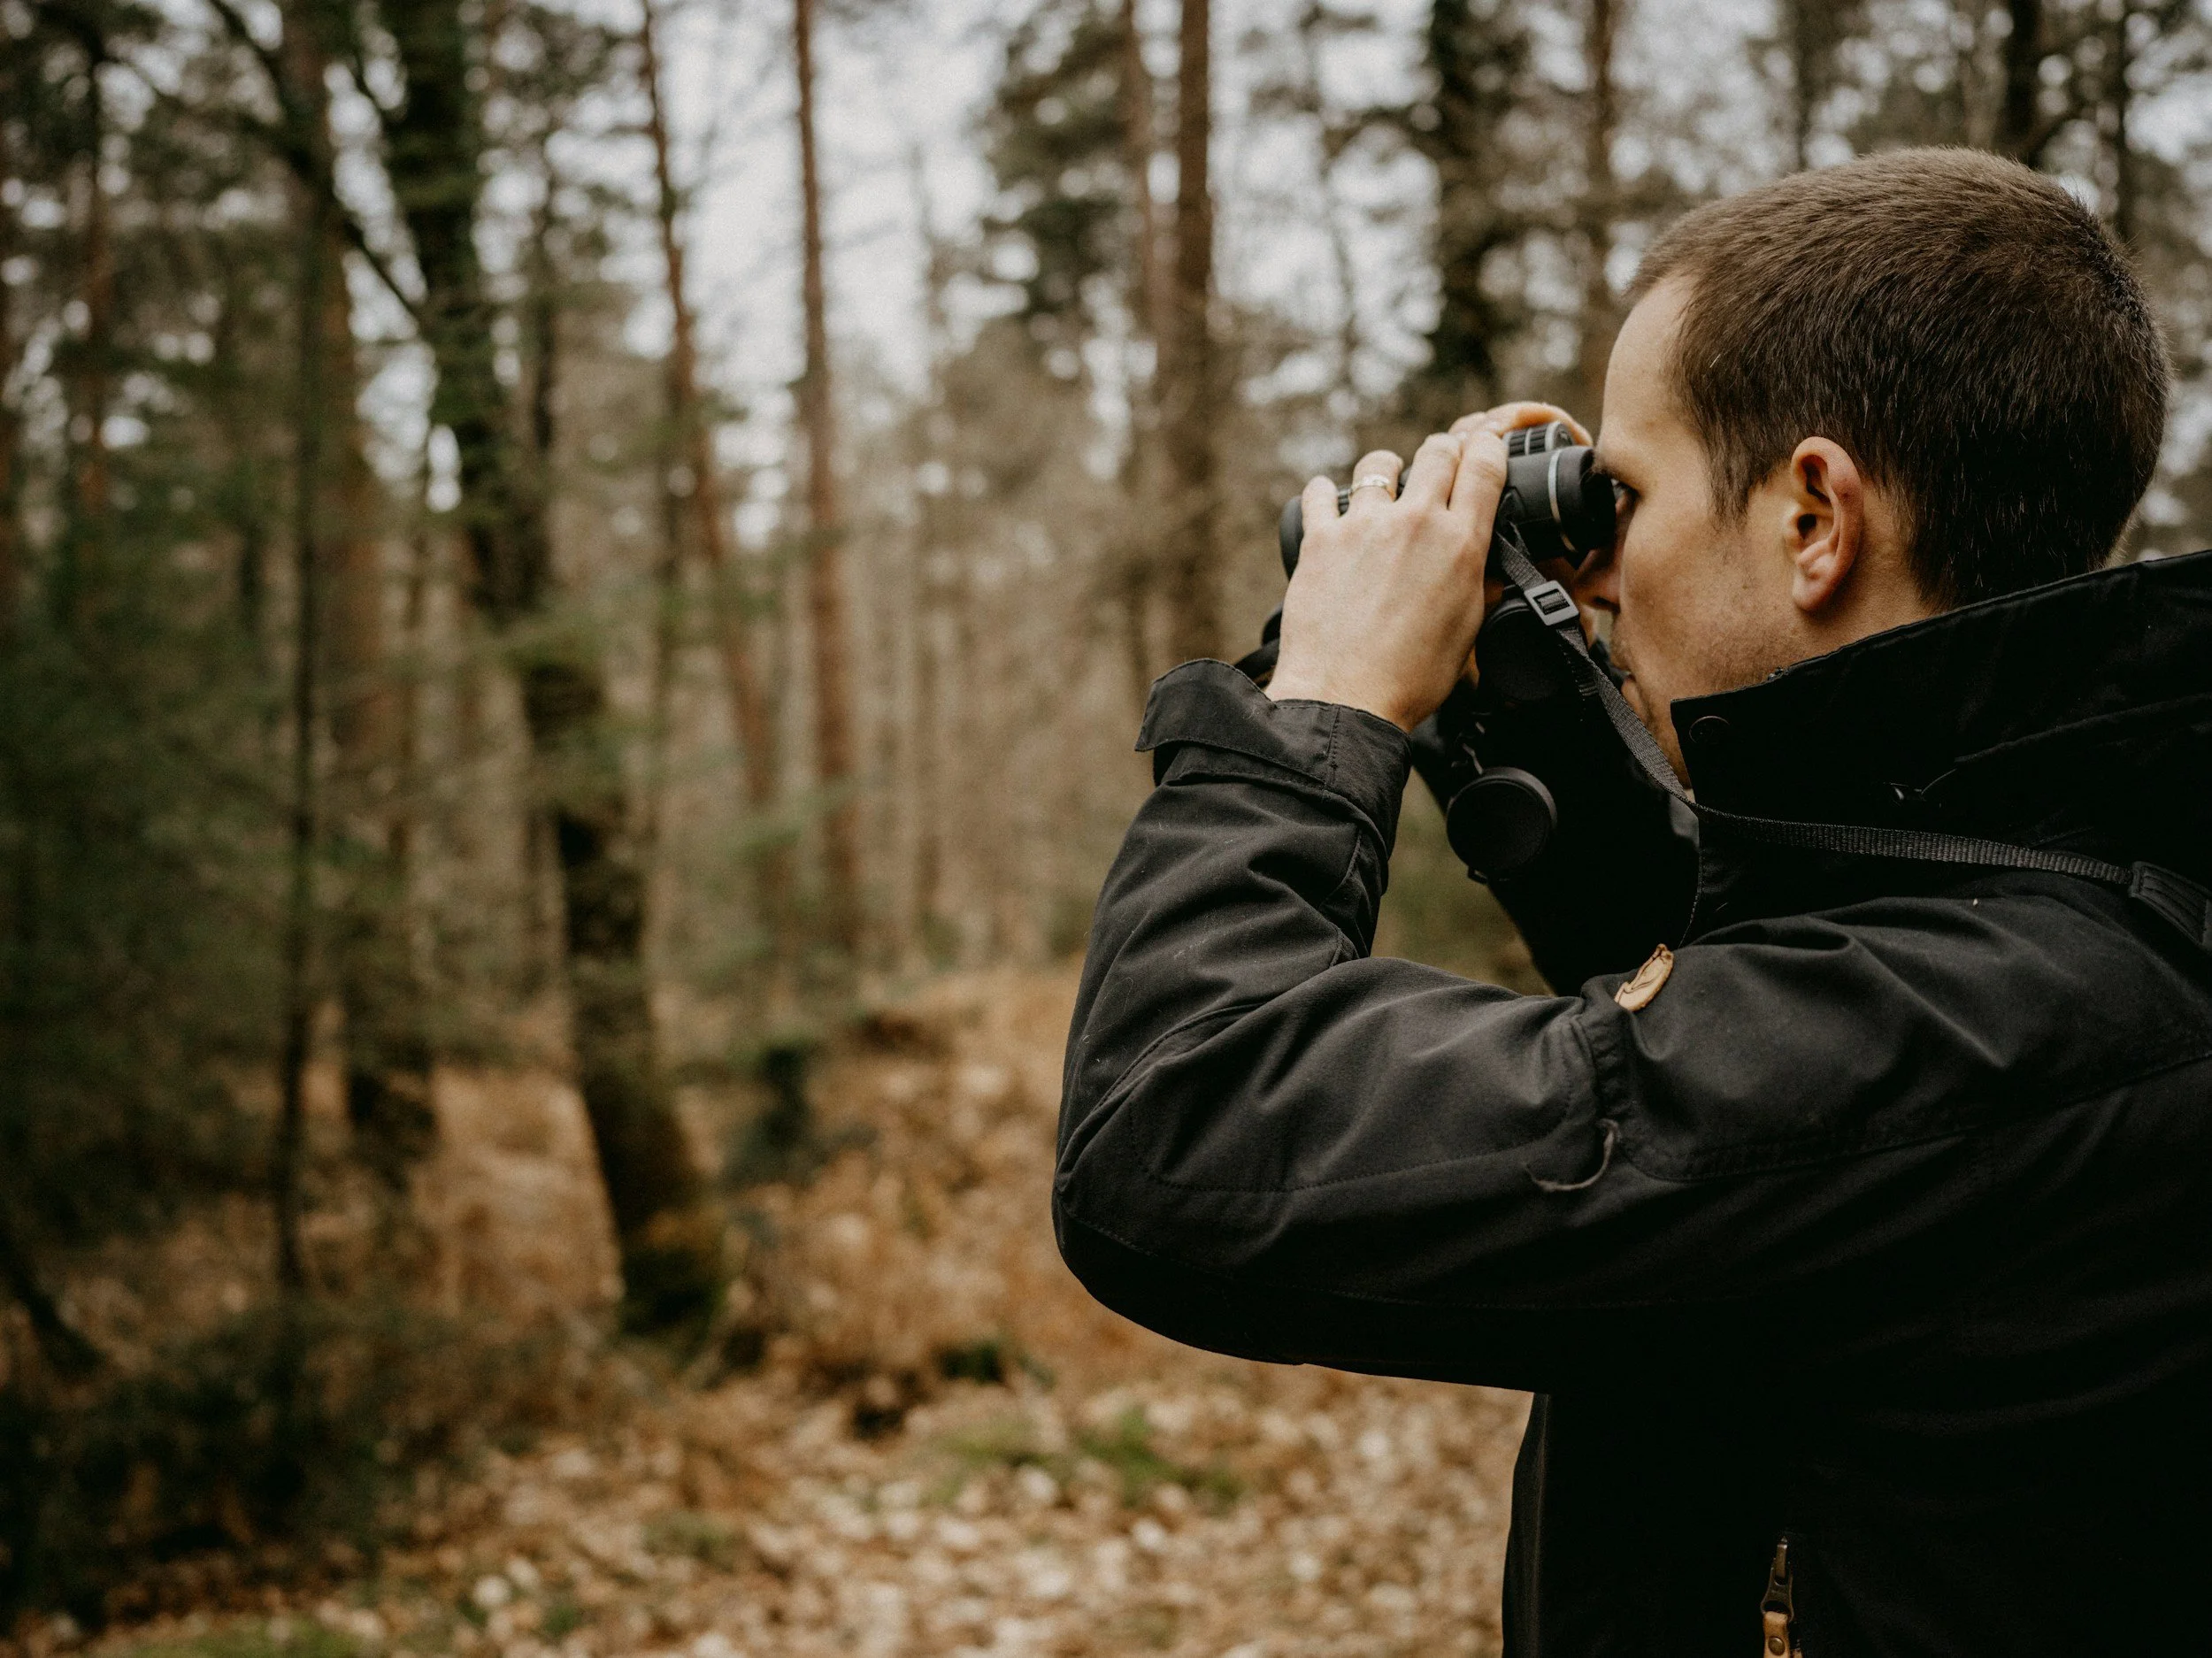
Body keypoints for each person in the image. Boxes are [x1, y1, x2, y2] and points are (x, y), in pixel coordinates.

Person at [1055, 147, 2212, 1654]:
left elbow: (1171, 1125)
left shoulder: (2005, 1028)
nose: (1606, 569)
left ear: (1816, 519)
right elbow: (1736, 1004)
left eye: (1634, 494)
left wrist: (1326, 707)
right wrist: (1510, 685)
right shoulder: (2062, 904)